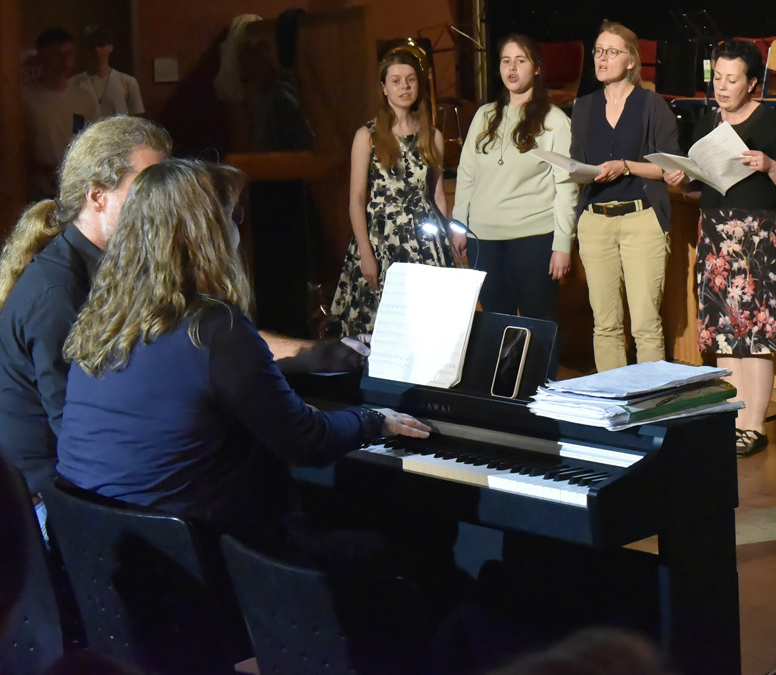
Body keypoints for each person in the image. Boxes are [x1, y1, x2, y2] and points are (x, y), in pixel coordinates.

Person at [56, 159, 430, 550]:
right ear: (209, 233)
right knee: (402, 549)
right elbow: (304, 442)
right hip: (194, 560)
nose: (238, 231)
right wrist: (373, 420)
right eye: (234, 216)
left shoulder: (102, 317)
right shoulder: (212, 328)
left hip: (100, 551)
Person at [0, 117, 171, 533]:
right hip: (47, 502)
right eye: (147, 191)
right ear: (97, 196)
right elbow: (78, 433)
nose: (164, 206)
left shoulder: (112, 267)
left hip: (76, 479)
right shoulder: (57, 292)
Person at [663, 40, 776, 457]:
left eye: (731, 80)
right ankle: (734, 420)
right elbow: (699, 183)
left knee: (756, 334)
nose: (721, 87)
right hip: (716, 235)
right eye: (717, 78)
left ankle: (754, 425)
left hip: (757, 236)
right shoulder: (707, 122)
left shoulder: (772, 123)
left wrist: (769, 165)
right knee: (725, 333)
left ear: (752, 83)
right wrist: (682, 179)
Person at [569, 22, 681, 371]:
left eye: (611, 52)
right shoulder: (583, 107)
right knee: (605, 325)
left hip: (641, 219)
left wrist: (627, 166)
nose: (602, 59)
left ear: (631, 60)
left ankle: (651, 399)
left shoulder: (651, 105)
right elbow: (577, 163)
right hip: (596, 221)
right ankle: (613, 400)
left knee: (645, 325)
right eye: (598, 52)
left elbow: (670, 166)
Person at [329, 49, 458, 338]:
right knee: (380, 326)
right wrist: (366, 253)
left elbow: (437, 195)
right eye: (396, 81)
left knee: (426, 326)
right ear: (384, 88)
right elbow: (356, 200)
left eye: (410, 80)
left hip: (424, 242)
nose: (404, 87)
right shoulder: (368, 136)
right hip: (381, 239)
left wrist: (445, 242)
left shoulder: (432, 136)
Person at [454, 34, 577, 321]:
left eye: (520, 61)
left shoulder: (554, 121)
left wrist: (562, 244)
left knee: (538, 322)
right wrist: (460, 225)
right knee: (495, 322)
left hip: (533, 239)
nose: (512, 68)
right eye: (506, 61)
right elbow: (466, 173)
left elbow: (566, 187)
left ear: (536, 68)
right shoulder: (485, 116)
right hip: (484, 239)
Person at [21, 29, 98, 200]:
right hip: (39, 189)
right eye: (56, 55)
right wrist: (44, 169)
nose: (64, 61)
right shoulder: (27, 99)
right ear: (41, 57)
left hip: (76, 188)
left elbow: (88, 139)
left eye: (68, 54)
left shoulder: (84, 97)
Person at [69, 24, 145, 119]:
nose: (96, 50)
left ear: (110, 47)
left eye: (100, 44)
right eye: (91, 46)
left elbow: (136, 119)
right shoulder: (72, 84)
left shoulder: (128, 82)